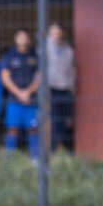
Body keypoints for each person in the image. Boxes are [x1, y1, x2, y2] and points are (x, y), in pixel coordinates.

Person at [0, 29, 40, 156]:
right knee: (12, 128)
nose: (23, 39)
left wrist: (28, 92)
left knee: (33, 128)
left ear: (29, 40)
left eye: (26, 37)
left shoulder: (35, 55)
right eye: (20, 37)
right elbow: (5, 77)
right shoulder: (9, 56)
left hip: (32, 99)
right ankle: (10, 157)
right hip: (14, 99)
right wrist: (19, 93)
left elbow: (40, 76)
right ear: (16, 39)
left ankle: (35, 157)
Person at [45, 23, 76, 153]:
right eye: (53, 33)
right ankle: (51, 150)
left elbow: (72, 69)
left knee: (67, 121)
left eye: (58, 33)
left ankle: (65, 150)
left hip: (66, 89)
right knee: (54, 121)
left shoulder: (68, 49)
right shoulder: (44, 49)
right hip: (51, 89)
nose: (56, 35)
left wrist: (72, 87)